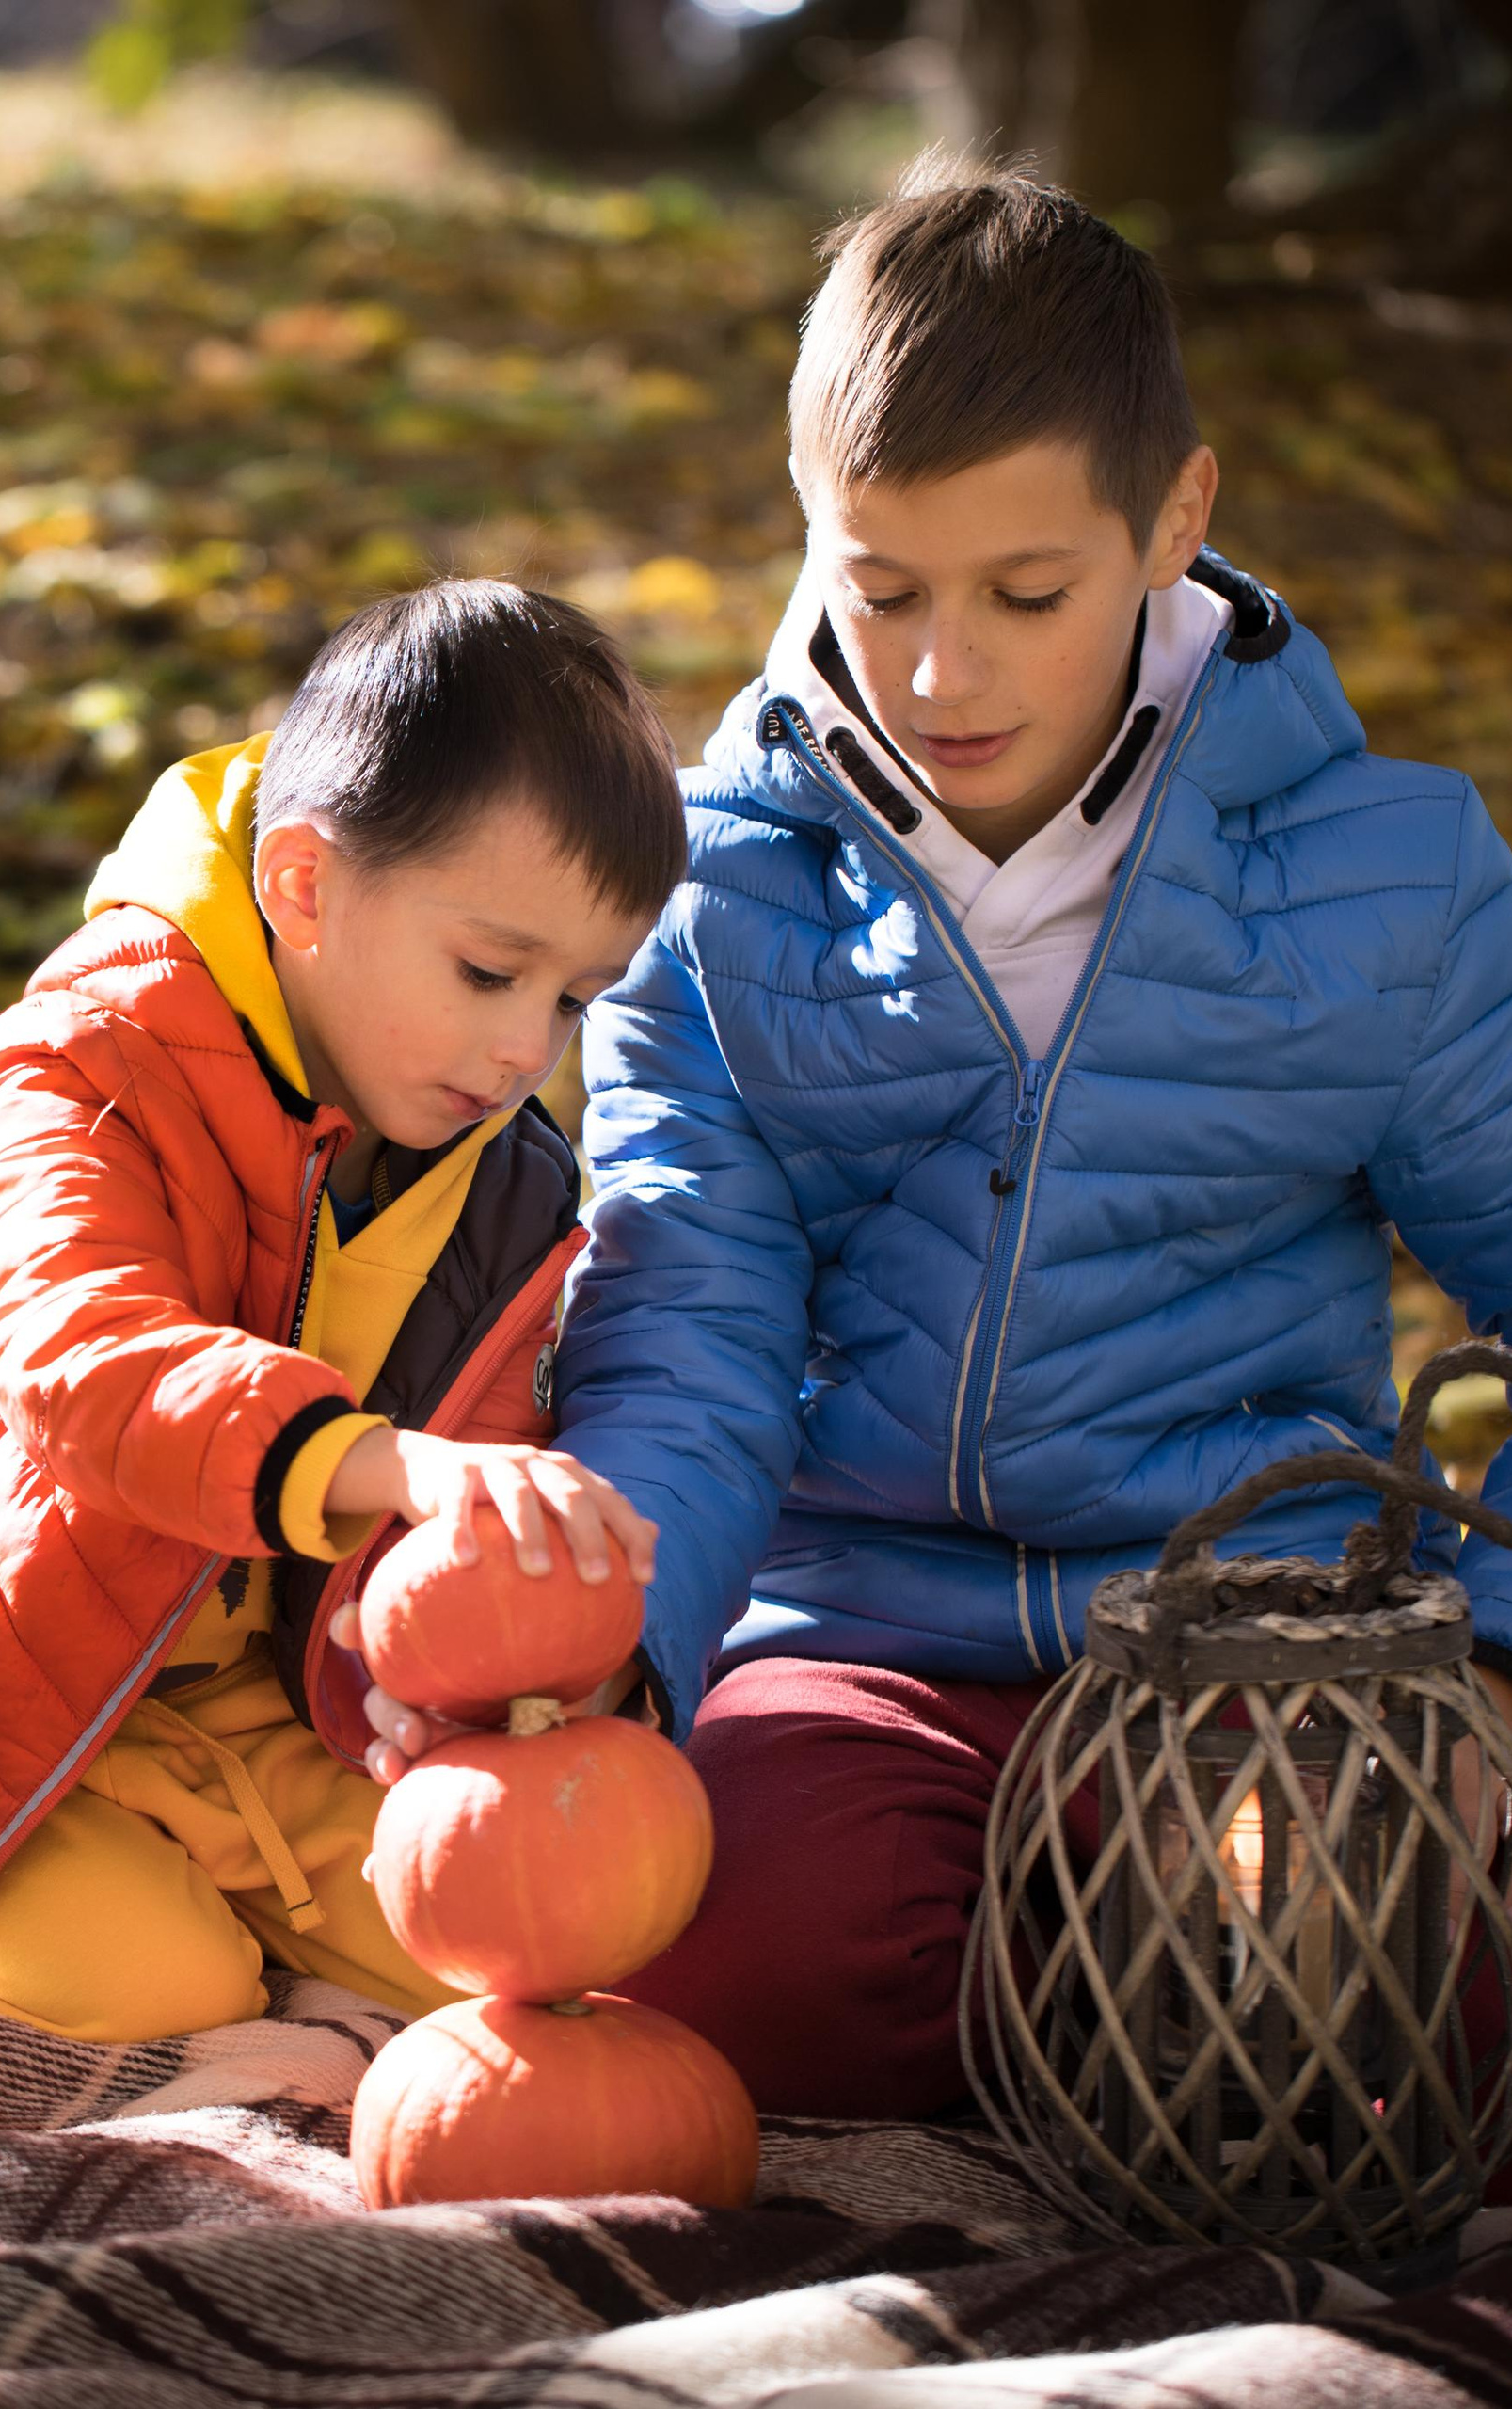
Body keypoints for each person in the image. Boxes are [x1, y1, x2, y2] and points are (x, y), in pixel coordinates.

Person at [361, 156, 1512, 2118]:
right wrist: (618, 1653)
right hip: (859, 1623)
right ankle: (1063, 2005)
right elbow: (690, 1327)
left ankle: (1128, 1985)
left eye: (1022, 593)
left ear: (1175, 518)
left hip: (1244, 1618)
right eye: (874, 586)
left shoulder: (1384, 881)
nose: (935, 670)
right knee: (733, 1968)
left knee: (1383, 1993)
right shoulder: (709, 891)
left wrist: (1476, 1642)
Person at [0, 580, 677, 2040]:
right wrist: (382, 1463)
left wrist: (444, 1667)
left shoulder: (499, 1192)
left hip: (240, 1708)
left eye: (571, 1000)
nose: (519, 1049)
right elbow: (83, 1359)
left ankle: (248, 1937)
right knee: (156, 1989)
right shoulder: (90, 1055)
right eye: (490, 971)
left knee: (508, 1961)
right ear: (302, 885)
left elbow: (435, 1513)